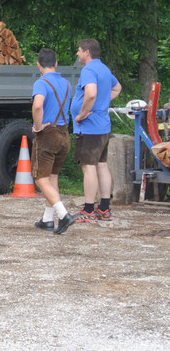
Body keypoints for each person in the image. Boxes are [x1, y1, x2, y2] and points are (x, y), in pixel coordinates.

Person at [71, 39, 122, 222]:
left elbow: (91, 93)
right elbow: (117, 88)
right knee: (101, 165)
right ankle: (104, 208)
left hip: (90, 128)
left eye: (79, 50)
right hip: (103, 127)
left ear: (86, 52)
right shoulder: (104, 69)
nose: (77, 53)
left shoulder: (89, 70)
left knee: (88, 166)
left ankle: (89, 210)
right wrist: (103, 102)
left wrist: (82, 114)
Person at [31, 48, 75, 235]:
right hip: (64, 134)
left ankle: (64, 215)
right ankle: (48, 219)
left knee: (40, 178)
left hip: (48, 135)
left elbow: (38, 105)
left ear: (38, 65)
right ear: (56, 63)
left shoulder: (41, 83)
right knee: (52, 178)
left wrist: (38, 126)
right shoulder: (66, 83)